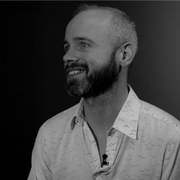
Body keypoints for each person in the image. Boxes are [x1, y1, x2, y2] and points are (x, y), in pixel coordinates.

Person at [28, 4, 180, 180]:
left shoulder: (170, 138)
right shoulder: (50, 135)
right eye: (67, 47)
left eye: (83, 45)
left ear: (124, 55)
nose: (67, 56)